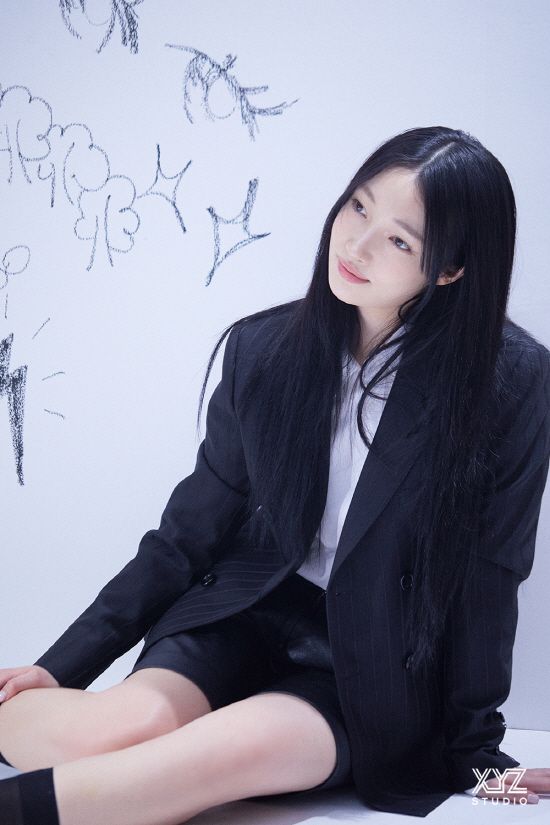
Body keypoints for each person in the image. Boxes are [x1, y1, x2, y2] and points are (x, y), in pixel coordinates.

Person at [1, 126, 550, 824]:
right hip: (243, 611)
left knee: (222, 757)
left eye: (399, 240)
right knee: (123, 730)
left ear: (450, 269)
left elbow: (490, 575)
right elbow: (186, 535)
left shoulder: (509, 382)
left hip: (366, 665)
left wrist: (478, 757)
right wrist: (62, 665)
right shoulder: (264, 349)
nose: (356, 246)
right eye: (358, 207)